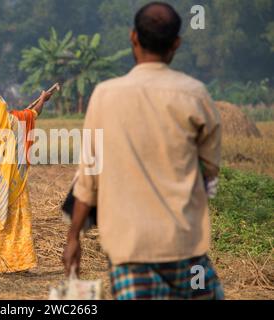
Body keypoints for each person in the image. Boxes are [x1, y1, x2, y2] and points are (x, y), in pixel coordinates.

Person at [63, 2, 224, 300]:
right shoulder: (195, 95)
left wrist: (73, 237)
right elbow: (209, 170)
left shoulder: (105, 96)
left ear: (133, 37)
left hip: (131, 253)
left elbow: (88, 177)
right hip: (186, 249)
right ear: (176, 44)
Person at [0, 90, 51, 273]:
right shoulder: (15, 120)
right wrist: (42, 99)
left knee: (2, 221)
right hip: (10, 183)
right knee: (13, 223)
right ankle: (3, 263)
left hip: (4, 183)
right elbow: (35, 112)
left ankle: (17, 264)